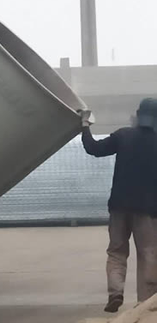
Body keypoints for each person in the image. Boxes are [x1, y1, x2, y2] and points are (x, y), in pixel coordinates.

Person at [80, 99, 157, 313]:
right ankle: (146, 302)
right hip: (147, 211)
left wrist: (85, 125)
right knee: (149, 254)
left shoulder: (123, 135)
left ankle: (115, 293)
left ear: (138, 115)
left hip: (119, 207)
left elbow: (93, 148)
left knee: (116, 252)